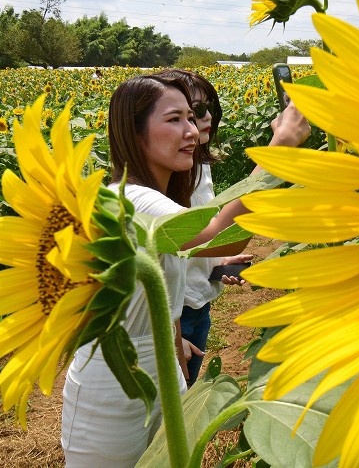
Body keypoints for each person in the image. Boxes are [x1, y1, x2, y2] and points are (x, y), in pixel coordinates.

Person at [60, 73, 310, 467]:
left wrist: (171, 339)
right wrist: (279, 151)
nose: (192, 131)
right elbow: (219, 236)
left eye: (191, 119)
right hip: (113, 385)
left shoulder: (157, 199)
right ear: (135, 131)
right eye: (174, 119)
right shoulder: (129, 198)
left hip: (161, 365)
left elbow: (161, 289)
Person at [158, 69, 252, 387]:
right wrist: (275, 158)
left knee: (184, 397)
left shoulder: (197, 166)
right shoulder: (164, 181)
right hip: (173, 316)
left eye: (207, 107)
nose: (207, 116)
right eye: (194, 112)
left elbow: (194, 245)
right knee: (170, 414)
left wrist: (217, 267)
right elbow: (211, 237)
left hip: (197, 305)